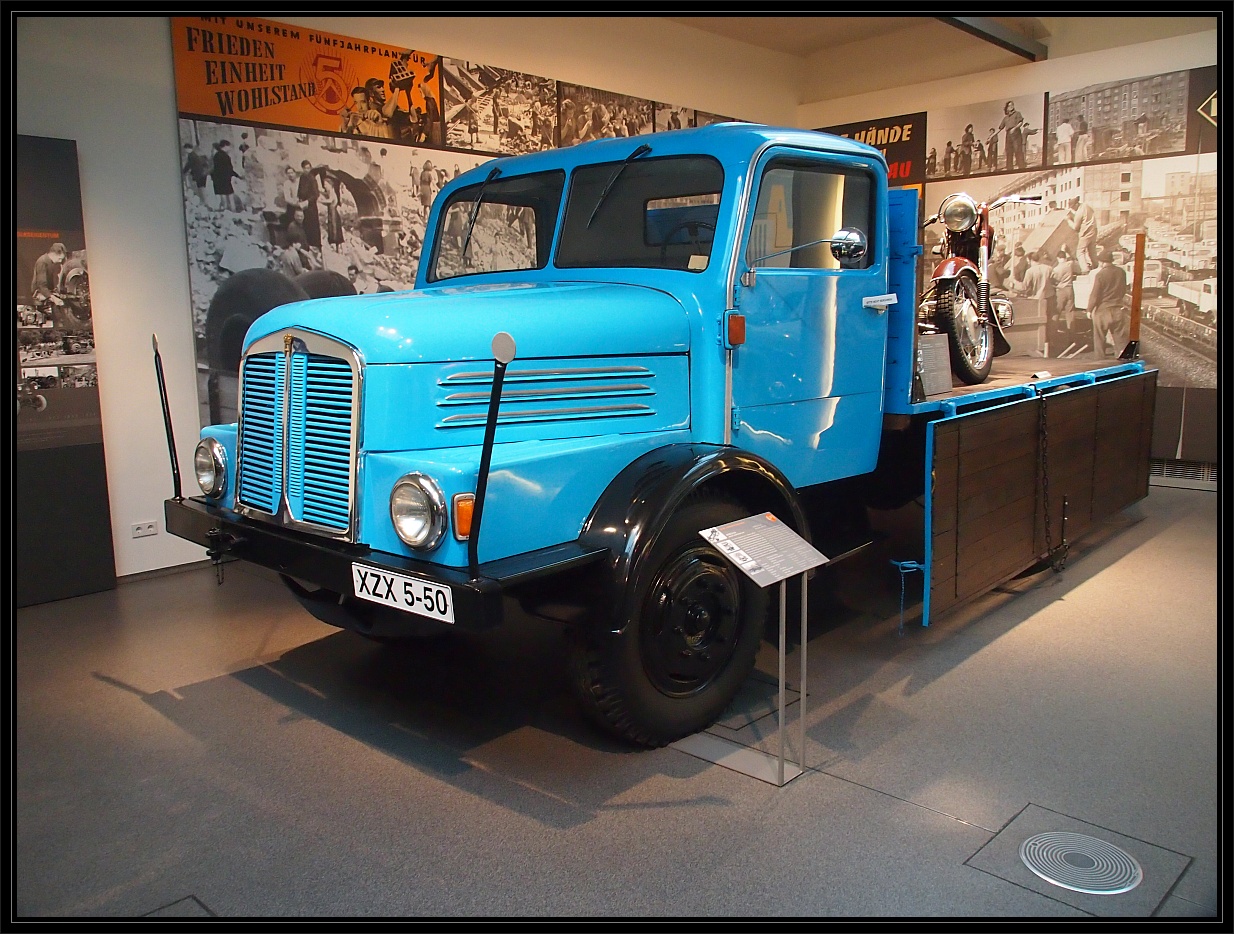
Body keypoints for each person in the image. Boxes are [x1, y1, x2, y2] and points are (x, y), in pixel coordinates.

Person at [1086, 249, 1128, 358]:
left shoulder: (1100, 274)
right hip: (1118, 309)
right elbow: (1123, 290)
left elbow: (1095, 295)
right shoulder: (1121, 272)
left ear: (1101, 262)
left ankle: (1100, 362)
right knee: (1120, 338)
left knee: (1099, 338)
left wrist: (1089, 310)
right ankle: (1123, 361)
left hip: (1103, 311)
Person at [210, 139, 243, 212]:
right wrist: (237, 176)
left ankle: (225, 213)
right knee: (230, 196)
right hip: (225, 179)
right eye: (229, 146)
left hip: (218, 179)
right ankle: (233, 211)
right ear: (225, 146)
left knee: (223, 197)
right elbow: (229, 169)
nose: (230, 148)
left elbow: (215, 168)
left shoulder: (216, 155)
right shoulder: (225, 156)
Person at [31, 242, 68, 307]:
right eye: (59, 258)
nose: (60, 261)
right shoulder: (42, 262)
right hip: (39, 294)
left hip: (48, 292)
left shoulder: (53, 262)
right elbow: (41, 286)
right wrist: (53, 298)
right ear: (53, 254)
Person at [296, 160, 323, 250]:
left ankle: (315, 246)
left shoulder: (312, 179)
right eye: (305, 168)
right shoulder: (302, 178)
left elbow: (316, 194)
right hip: (304, 207)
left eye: (308, 168)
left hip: (311, 207)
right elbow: (299, 191)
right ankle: (306, 245)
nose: (307, 170)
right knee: (305, 225)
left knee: (313, 226)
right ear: (302, 169)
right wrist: (300, 199)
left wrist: (307, 201)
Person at [1068, 197, 1098, 273]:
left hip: (1085, 233)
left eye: (1072, 207)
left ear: (1076, 204)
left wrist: (1068, 220)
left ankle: (1085, 269)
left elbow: (1075, 227)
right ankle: (1096, 266)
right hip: (1093, 231)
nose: (1072, 209)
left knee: (1080, 252)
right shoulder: (1086, 206)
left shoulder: (1079, 212)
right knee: (1092, 252)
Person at [999, 100, 1027, 171]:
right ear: (1007, 108)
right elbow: (1000, 128)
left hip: (1016, 133)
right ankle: (1009, 169)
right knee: (1009, 152)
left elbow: (1020, 122)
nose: (1011, 106)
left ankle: (1021, 167)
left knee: (1018, 150)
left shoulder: (1017, 113)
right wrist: (991, 136)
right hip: (1008, 135)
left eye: (1012, 105)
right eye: (1009, 105)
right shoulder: (1005, 118)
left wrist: (1014, 128)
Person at [319, 176, 344, 253]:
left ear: (330, 185)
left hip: (333, 213)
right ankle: (335, 246)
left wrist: (321, 201)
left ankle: (335, 244)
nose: (325, 186)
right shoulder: (329, 192)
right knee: (331, 227)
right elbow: (325, 194)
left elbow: (330, 200)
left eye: (326, 184)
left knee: (334, 228)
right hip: (331, 212)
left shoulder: (332, 192)